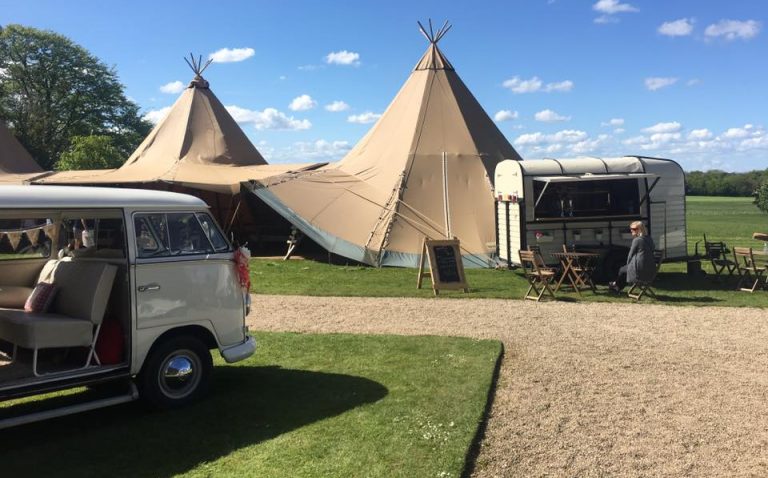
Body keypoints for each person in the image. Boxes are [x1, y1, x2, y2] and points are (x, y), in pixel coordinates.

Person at [609, 221, 655, 292]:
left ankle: (616, 286)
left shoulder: (637, 240)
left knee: (622, 270)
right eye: (631, 228)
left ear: (639, 229)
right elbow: (652, 249)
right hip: (650, 269)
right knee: (625, 270)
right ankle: (616, 285)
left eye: (633, 229)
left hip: (640, 270)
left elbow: (630, 255)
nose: (631, 230)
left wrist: (628, 264)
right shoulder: (649, 239)